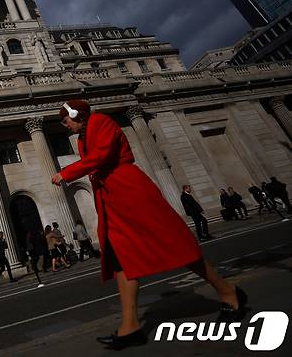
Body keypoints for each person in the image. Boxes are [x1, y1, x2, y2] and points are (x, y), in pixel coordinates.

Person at [52, 99, 246, 350]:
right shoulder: (82, 137)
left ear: (77, 114)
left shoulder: (101, 121)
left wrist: (66, 172)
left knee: (173, 242)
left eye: (65, 120)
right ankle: (130, 325)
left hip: (130, 190)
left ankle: (228, 291)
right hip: (111, 196)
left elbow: (102, 156)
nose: (64, 125)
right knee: (121, 257)